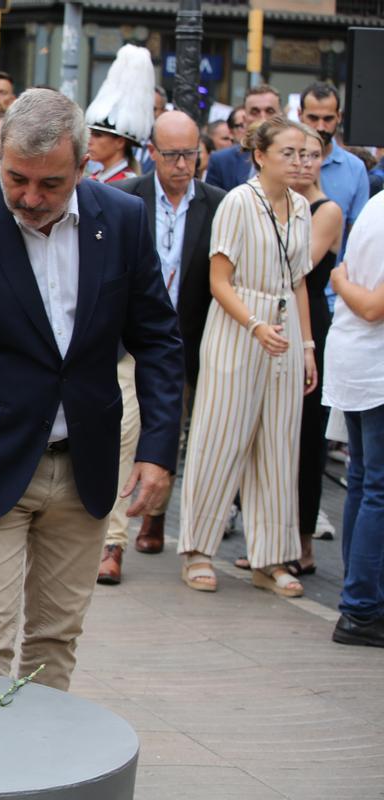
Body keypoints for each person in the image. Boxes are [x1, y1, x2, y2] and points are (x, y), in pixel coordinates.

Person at [0, 88, 183, 690]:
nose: (29, 197)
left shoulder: (123, 221)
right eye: (15, 178)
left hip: (85, 469)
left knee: (55, 640)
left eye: (50, 184)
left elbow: (157, 340)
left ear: (84, 165)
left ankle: (43, 772)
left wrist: (158, 450)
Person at [178, 116, 318, 596]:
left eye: (303, 153)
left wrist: (307, 345)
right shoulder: (239, 201)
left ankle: (271, 558)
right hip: (238, 326)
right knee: (220, 437)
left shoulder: (301, 207)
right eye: (289, 153)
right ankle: (197, 549)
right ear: (260, 155)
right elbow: (219, 281)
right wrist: (255, 325)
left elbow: (299, 281)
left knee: (279, 444)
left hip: (284, 325)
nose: (298, 161)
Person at [100, 111, 226, 584]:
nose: (181, 164)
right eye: (171, 154)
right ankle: (112, 543)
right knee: (125, 430)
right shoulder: (126, 198)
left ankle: (156, 514)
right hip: (132, 343)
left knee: (177, 430)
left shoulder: (218, 204)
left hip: (194, 340)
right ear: (151, 152)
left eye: (191, 154)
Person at [325, 191, 384, 648]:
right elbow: (371, 306)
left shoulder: (375, 204)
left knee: (365, 483)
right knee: (374, 488)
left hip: (357, 362)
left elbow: (344, 276)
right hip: (374, 366)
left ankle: (359, 601)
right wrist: (344, 285)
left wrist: (343, 283)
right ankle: (361, 608)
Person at [287, 127, 343, 575]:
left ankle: (303, 541)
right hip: (271, 322)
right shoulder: (276, 204)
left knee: (307, 437)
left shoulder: (325, 211)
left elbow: (295, 266)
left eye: (312, 155)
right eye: (296, 154)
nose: (303, 163)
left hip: (312, 328)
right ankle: (271, 538)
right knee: (273, 438)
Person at [298, 82, 370, 260]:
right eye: (313, 118)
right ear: (300, 115)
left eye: (328, 119)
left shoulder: (355, 168)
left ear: (339, 117)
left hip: (333, 283)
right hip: (281, 280)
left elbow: (358, 235)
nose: (320, 127)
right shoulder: (281, 160)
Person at [83, 45, 153, 184]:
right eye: (91, 133)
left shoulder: (130, 184)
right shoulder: (94, 178)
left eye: (98, 135)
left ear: (120, 142)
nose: (89, 141)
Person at [206, 85, 280, 191]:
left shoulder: (296, 159)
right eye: (255, 112)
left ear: (281, 116)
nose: (263, 119)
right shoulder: (221, 161)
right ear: (245, 118)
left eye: (270, 111)